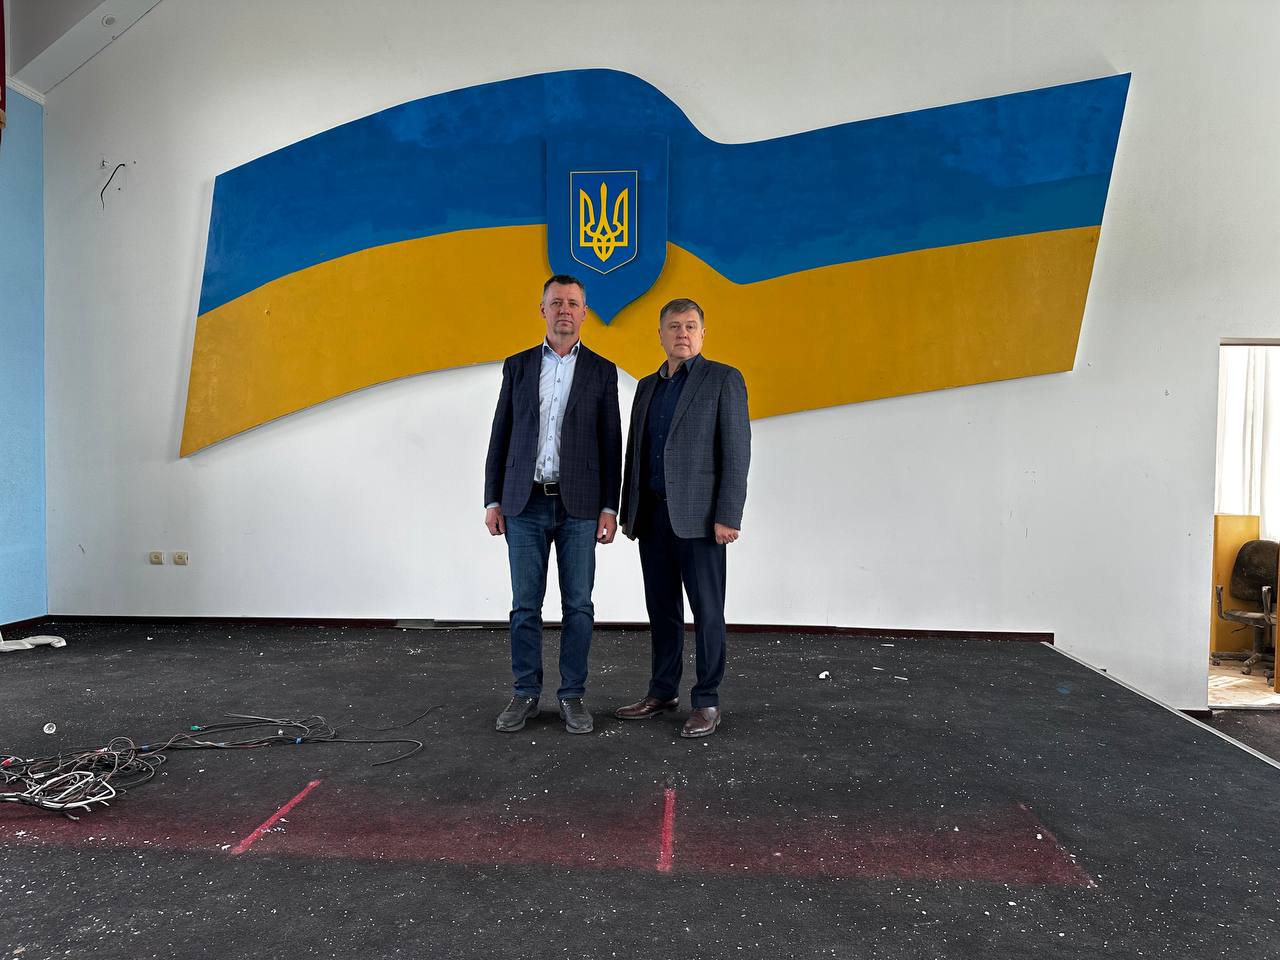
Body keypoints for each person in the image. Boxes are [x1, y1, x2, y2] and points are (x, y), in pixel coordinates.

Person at [484, 275, 622, 735]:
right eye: (556, 302)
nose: (565, 310)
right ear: (542, 309)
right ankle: (525, 693)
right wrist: (493, 499)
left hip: (580, 507)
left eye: (573, 303)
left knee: (578, 606)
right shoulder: (518, 367)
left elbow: (611, 444)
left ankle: (572, 695)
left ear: (584, 312)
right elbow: (501, 434)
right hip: (523, 503)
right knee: (525, 606)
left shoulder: (602, 371)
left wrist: (610, 507)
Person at [615, 298, 750, 738]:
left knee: (707, 612)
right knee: (662, 610)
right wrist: (628, 512)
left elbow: (736, 452)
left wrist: (728, 515)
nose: (683, 334)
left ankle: (707, 700)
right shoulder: (646, 387)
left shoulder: (723, 380)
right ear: (660, 335)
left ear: (703, 333)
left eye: (691, 326)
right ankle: (662, 691)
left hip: (702, 521)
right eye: (674, 326)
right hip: (653, 518)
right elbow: (635, 455)